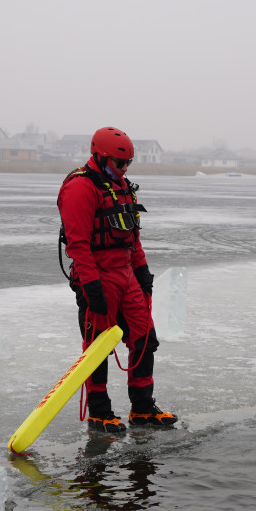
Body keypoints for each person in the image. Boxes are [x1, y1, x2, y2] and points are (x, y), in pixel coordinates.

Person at [57, 126, 176, 433]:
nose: (123, 170)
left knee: (145, 339)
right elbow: (78, 244)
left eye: (127, 164)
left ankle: (142, 408)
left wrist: (143, 272)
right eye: (117, 164)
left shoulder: (123, 187)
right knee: (98, 348)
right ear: (99, 157)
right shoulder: (81, 188)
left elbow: (132, 240)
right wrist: (91, 285)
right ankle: (100, 413)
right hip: (97, 275)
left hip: (126, 275)